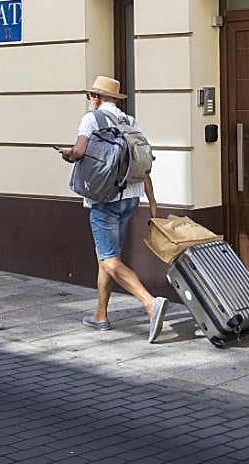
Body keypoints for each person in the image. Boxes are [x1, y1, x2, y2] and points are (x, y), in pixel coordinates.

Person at [58, 75, 170, 343]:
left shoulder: (91, 119)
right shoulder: (131, 122)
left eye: (90, 96)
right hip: (131, 197)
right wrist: (153, 203)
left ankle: (149, 303)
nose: (89, 101)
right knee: (106, 259)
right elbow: (143, 163)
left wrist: (67, 153)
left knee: (110, 260)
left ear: (96, 98)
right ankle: (100, 315)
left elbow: (80, 151)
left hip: (105, 200)